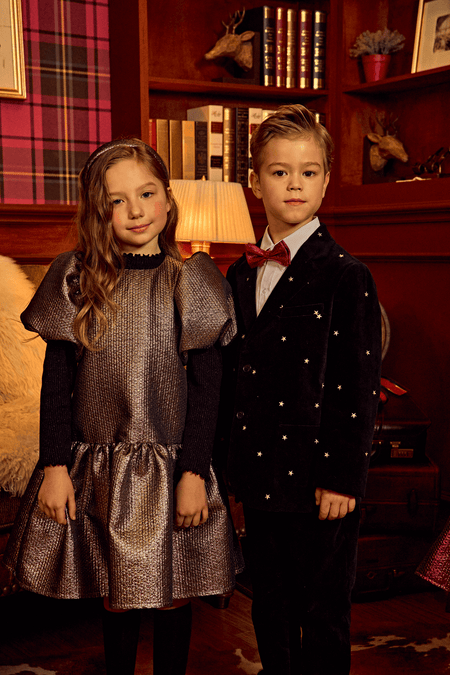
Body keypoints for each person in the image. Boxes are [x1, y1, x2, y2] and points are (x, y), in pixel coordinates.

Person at [4, 138, 243, 675]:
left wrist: (193, 473)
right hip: (103, 468)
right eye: (116, 200)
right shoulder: (77, 278)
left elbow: (208, 390)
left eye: (146, 193)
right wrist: (56, 465)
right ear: (98, 211)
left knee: (173, 590)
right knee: (118, 589)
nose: (135, 210)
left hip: (173, 467)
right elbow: (57, 380)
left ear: (166, 199)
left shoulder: (192, 281)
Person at [221, 105, 382, 675]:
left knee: (321, 607)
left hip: (320, 477)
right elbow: (231, 377)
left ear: (326, 181)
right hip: (263, 473)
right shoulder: (239, 275)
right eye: (279, 172)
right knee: (268, 600)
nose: (294, 184)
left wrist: (342, 478)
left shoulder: (346, 275)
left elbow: (357, 388)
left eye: (308, 172)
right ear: (254, 182)